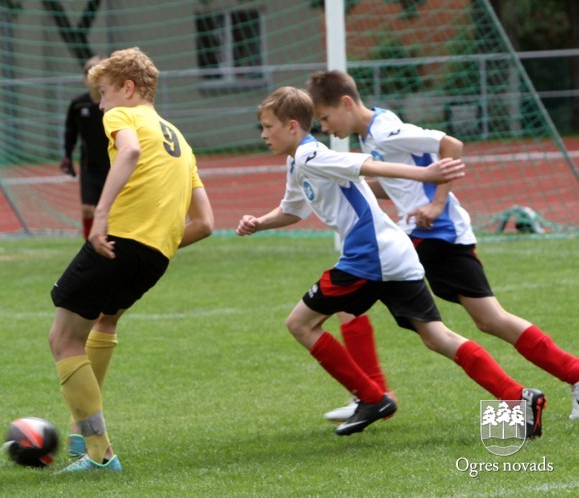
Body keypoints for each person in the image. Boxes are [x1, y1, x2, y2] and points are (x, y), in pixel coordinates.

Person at [236, 86, 546, 438]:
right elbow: (293, 209)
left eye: (268, 127)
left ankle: (371, 398)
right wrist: (259, 222)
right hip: (394, 253)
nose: (263, 135)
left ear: (292, 126)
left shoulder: (311, 155)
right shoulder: (297, 162)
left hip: (370, 257)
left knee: (300, 323)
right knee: (437, 337)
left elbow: (366, 164)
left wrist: (426, 174)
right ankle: (518, 397)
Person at [306, 69, 579, 422]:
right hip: (433, 235)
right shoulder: (372, 132)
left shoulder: (385, 130)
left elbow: (451, 145)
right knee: (489, 320)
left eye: (326, 118)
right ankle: (572, 374)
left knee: (350, 300)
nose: (325, 128)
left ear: (346, 103)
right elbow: (401, 185)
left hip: (436, 233)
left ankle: (373, 396)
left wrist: (436, 204)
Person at [48, 47, 214, 474]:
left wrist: (101, 216)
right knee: (105, 320)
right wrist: (157, 243)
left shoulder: (123, 115)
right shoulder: (180, 140)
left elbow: (129, 153)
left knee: (63, 338)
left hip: (118, 241)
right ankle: (79, 430)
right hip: (155, 257)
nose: (101, 106)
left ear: (127, 88)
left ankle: (99, 452)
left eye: (103, 93)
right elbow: (205, 223)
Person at [60, 56, 111, 240]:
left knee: (114, 210)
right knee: (88, 209)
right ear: (85, 79)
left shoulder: (115, 104)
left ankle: (114, 243)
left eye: (99, 71)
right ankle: (91, 245)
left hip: (114, 165)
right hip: (90, 167)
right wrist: (67, 156)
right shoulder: (78, 104)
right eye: (90, 71)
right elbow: (70, 132)